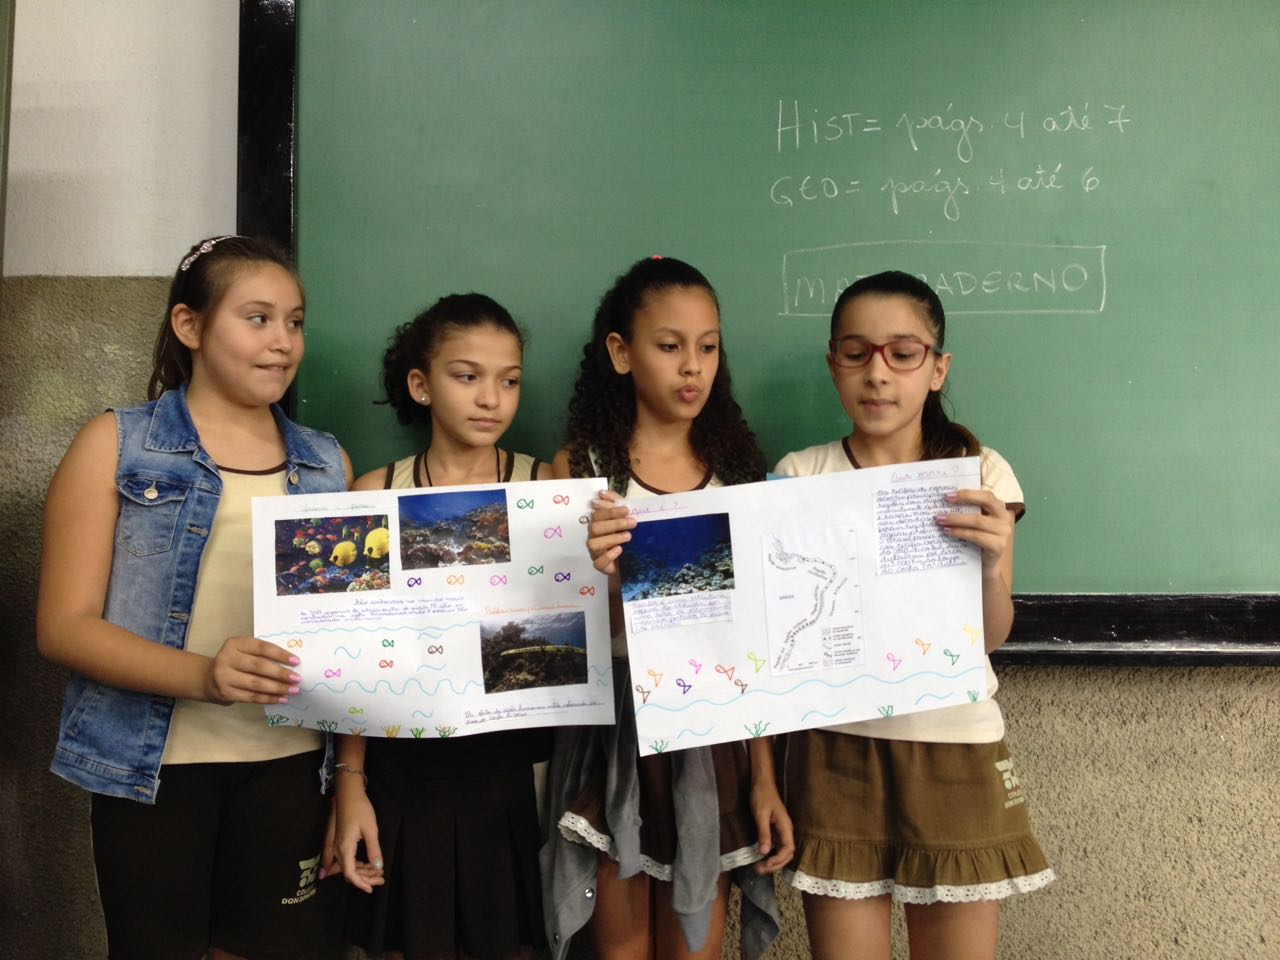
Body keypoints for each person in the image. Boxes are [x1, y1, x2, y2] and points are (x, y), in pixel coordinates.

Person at [38, 235, 353, 960]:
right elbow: (63, 627)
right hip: (153, 770)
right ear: (190, 325)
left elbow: (354, 626)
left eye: (295, 322)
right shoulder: (117, 444)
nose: (283, 342)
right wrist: (204, 675)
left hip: (293, 766)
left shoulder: (326, 462)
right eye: (258, 318)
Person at [774, 270, 1054, 960]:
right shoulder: (800, 476)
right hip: (835, 750)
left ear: (938, 368)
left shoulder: (980, 473)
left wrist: (989, 565)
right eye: (856, 353)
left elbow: (990, 637)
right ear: (833, 364)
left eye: (903, 354)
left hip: (955, 745)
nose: (878, 373)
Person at [540, 255, 794, 960]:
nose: (692, 367)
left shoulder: (739, 478)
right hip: (614, 729)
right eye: (669, 345)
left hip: (715, 732)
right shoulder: (581, 472)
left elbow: (756, 643)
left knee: (694, 943)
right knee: (619, 944)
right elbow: (569, 637)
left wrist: (765, 776)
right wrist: (602, 578)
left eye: (708, 347)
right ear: (621, 352)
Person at [329, 293, 552, 960]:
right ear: (421, 385)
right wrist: (350, 781)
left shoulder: (547, 486)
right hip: (404, 769)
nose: (491, 398)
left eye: (509, 381)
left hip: (515, 771)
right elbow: (352, 654)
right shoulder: (374, 493)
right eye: (467, 376)